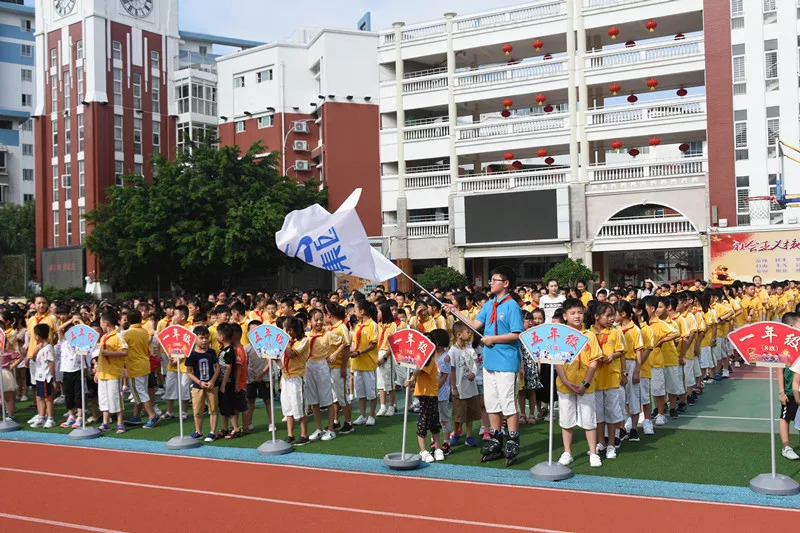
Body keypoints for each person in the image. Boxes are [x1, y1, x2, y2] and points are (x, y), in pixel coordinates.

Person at [444, 265, 524, 465]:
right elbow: (473, 325)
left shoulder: (511, 305)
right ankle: (496, 438)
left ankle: (512, 439)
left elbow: (517, 334)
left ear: (505, 283)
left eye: (495, 279)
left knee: (508, 402)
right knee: (492, 402)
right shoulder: (489, 305)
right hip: (490, 361)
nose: (491, 283)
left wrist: (493, 339)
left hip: (506, 361)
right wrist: (455, 311)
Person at [555, 298, 603, 467]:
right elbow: (557, 361)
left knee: (589, 420)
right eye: (573, 313)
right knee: (566, 420)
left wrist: (585, 384)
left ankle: (593, 453)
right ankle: (567, 452)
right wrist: (566, 381)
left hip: (586, 387)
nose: (577, 316)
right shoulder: (560, 335)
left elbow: (594, 361)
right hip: (565, 386)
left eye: (580, 313)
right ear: (565, 315)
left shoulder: (590, 335)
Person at [588, 301, 625, 458]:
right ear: (597, 316)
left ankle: (611, 444)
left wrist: (611, 356)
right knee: (598, 413)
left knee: (611, 411)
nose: (611, 319)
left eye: (612, 315)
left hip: (611, 377)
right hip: (594, 379)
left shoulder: (615, 332)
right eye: (608, 315)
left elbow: (621, 351)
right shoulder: (588, 333)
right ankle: (600, 442)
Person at [406, 329, 448, 463]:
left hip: (431, 394)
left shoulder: (429, 361)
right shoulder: (422, 360)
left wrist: (412, 379)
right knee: (423, 423)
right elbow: (417, 370)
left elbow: (419, 372)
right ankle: (423, 450)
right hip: (424, 395)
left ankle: (437, 448)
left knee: (434, 422)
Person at [304, 309, 340, 441]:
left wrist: (334, 354)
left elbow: (344, 342)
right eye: (316, 319)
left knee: (327, 399)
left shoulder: (328, 334)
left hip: (322, 366)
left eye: (321, 319)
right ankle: (318, 428)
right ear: (310, 321)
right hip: (309, 366)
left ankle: (330, 429)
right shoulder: (306, 336)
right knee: (313, 400)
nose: (319, 322)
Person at [123, 309, 159, 428]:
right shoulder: (144, 331)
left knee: (139, 393)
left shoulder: (126, 334)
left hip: (134, 367)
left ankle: (152, 415)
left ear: (128, 320)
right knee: (141, 391)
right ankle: (136, 416)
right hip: (144, 365)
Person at [185, 325, 220, 442]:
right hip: (197, 386)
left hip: (212, 385)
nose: (204, 340)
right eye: (201, 338)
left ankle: (212, 432)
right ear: (195, 339)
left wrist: (212, 381)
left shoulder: (211, 352)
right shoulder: (191, 354)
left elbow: (217, 368)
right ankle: (198, 431)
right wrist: (199, 382)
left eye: (206, 337)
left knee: (213, 409)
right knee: (197, 410)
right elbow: (189, 372)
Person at [448, 321, 480, 447]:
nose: (470, 332)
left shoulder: (470, 349)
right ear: (459, 335)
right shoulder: (453, 351)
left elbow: (475, 363)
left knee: (470, 413)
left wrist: (474, 372)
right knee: (458, 413)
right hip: (459, 388)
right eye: (468, 331)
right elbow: (452, 370)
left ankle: (469, 435)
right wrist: (453, 387)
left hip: (471, 387)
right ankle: (456, 433)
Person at [616, 301, 644, 442]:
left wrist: (637, 371)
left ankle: (633, 428)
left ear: (623, 314)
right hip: (618, 365)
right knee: (620, 397)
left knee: (633, 396)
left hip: (631, 363)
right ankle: (621, 428)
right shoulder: (616, 329)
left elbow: (639, 352)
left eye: (615, 313)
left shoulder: (635, 330)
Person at [96, 312, 128, 433]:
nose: (100, 324)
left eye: (101, 322)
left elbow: (125, 351)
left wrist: (110, 353)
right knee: (103, 398)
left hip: (114, 372)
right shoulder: (104, 337)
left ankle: (120, 423)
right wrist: (97, 371)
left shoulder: (118, 336)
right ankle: (106, 422)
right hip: (103, 372)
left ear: (106, 323)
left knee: (115, 397)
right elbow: (100, 357)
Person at [324, 302, 353, 434]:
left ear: (329, 315)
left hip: (339, 367)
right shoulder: (333, 328)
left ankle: (349, 423)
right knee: (334, 396)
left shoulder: (341, 327)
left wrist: (343, 367)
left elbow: (346, 347)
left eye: (325, 314)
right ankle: (336, 421)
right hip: (332, 367)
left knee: (342, 396)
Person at [349, 300, 379, 426]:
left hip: (368, 363)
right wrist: (352, 350)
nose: (354, 312)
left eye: (355, 309)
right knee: (360, 392)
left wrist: (359, 352)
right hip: (357, 363)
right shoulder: (358, 326)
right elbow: (355, 343)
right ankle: (362, 415)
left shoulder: (372, 325)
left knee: (371, 392)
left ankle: (371, 415)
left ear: (362, 311)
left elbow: (373, 344)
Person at [281, 316, 310, 445]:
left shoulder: (303, 341)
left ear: (290, 330)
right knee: (288, 407)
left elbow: (292, 354)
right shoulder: (289, 342)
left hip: (297, 377)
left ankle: (304, 435)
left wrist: (285, 343)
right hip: (286, 377)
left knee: (299, 406)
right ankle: (290, 434)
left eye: (284, 328)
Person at [243, 321, 273, 433]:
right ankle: (248, 423)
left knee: (268, 401)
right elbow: (245, 364)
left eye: (257, 330)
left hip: (264, 378)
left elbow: (269, 363)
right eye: (252, 330)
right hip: (250, 379)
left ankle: (271, 423)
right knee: (250, 401)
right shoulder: (247, 348)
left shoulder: (266, 346)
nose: (255, 333)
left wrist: (261, 375)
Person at [163, 305, 191, 419]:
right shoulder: (172, 328)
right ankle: (170, 411)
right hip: (172, 364)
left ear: (183, 316)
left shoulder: (189, 328)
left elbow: (189, 346)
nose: (173, 317)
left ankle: (183, 411)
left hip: (185, 364)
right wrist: (170, 356)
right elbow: (166, 342)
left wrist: (178, 358)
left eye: (176, 314)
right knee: (170, 386)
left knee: (184, 388)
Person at [779, 313, 800, 459]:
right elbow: (779, 370)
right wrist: (781, 392)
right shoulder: (784, 346)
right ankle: (786, 447)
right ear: (791, 327)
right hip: (789, 389)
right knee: (786, 416)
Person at [30, 324, 57, 429]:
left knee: (48, 398)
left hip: (46, 376)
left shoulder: (49, 348)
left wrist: (53, 378)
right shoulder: (40, 347)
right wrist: (36, 350)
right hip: (39, 376)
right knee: (40, 398)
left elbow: (51, 363)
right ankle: (41, 417)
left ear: (38, 335)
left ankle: (50, 418)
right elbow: (32, 358)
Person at [375, 303, 397, 417]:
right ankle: (382, 406)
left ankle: (392, 406)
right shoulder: (378, 325)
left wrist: (385, 357)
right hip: (378, 352)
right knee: (380, 382)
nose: (377, 313)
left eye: (379, 311)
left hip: (387, 354)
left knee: (389, 382)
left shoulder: (392, 325)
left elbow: (393, 344)